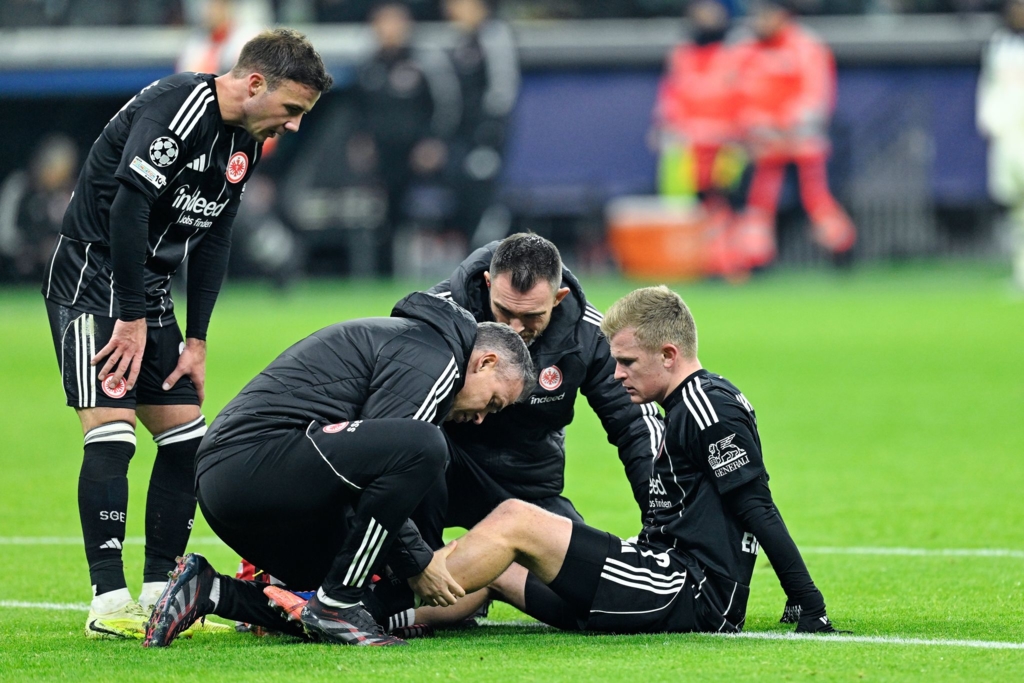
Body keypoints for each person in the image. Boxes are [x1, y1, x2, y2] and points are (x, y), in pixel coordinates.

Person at [40, 28, 332, 639]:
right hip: (94, 280)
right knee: (113, 434)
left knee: (185, 441)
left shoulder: (244, 141)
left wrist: (196, 340)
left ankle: (160, 591)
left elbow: (216, 235)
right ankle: (108, 601)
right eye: (292, 108)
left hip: (147, 292)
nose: (295, 125)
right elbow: (126, 210)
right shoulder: (177, 109)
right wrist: (129, 317)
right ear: (255, 84)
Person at [407, 285, 840, 636]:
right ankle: (390, 616)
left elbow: (757, 506)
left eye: (628, 362)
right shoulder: (689, 404)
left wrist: (808, 600)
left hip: (688, 590)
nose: (617, 374)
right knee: (500, 568)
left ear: (668, 355)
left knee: (515, 519)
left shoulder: (708, 408)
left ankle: (380, 603)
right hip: (659, 573)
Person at [142, 292, 535, 647]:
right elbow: (390, 463)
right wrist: (418, 562)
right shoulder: (435, 358)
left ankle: (213, 591)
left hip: (238, 484)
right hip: (249, 466)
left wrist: (413, 566)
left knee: (361, 599)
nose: (481, 418)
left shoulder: (417, 345)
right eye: (493, 403)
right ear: (485, 362)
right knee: (427, 445)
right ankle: (337, 604)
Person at [411, 233, 665, 552]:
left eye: (531, 316)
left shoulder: (589, 334)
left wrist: (664, 519)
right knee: (416, 451)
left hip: (526, 479)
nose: (514, 328)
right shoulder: (437, 315)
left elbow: (636, 425)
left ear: (558, 298)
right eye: (504, 311)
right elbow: (396, 423)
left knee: (582, 574)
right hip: (442, 468)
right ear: (488, 283)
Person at [731, 0, 856, 269]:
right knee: (759, 204)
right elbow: (736, 95)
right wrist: (754, 126)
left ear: (782, 15)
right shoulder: (744, 47)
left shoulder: (806, 45)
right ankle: (755, 262)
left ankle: (844, 252)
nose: (758, 22)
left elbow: (816, 96)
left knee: (817, 201)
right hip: (764, 146)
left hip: (802, 143)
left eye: (765, 15)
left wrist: (784, 125)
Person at [351, 1, 460, 273]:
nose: (389, 29)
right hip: (382, 155)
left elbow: (445, 106)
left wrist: (434, 141)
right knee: (382, 216)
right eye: (383, 22)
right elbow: (358, 111)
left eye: (394, 22)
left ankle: (441, 267)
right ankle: (383, 273)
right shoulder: (368, 66)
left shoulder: (424, 63)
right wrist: (361, 141)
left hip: (418, 154)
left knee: (433, 207)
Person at [441, 0, 520, 249]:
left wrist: (489, 131)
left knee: (483, 187)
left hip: (485, 132)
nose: (452, 10)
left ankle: (492, 249)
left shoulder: (494, 35)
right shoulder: (461, 41)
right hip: (463, 133)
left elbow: (503, 86)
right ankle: (472, 251)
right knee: (462, 189)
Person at [978, 0, 1024, 291]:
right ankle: (1021, 271)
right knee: (1016, 208)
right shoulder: (998, 45)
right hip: (1007, 137)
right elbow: (989, 85)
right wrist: (990, 121)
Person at [0, 134, 78, 283]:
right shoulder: (19, 187)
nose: (61, 177)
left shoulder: (71, 192)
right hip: (18, 270)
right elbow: (4, 233)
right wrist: (33, 249)